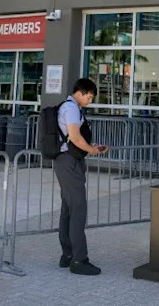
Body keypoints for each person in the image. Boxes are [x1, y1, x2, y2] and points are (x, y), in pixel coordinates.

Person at [54, 78, 109, 275]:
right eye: (90, 96)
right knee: (77, 210)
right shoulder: (71, 108)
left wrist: (92, 148)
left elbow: (74, 139)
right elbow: (75, 137)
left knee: (68, 210)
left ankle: (67, 255)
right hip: (69, 163)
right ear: (81, 92)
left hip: (66, 162)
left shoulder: (69, 107)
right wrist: (92, 151)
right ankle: (79, 260)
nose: (90, 100)